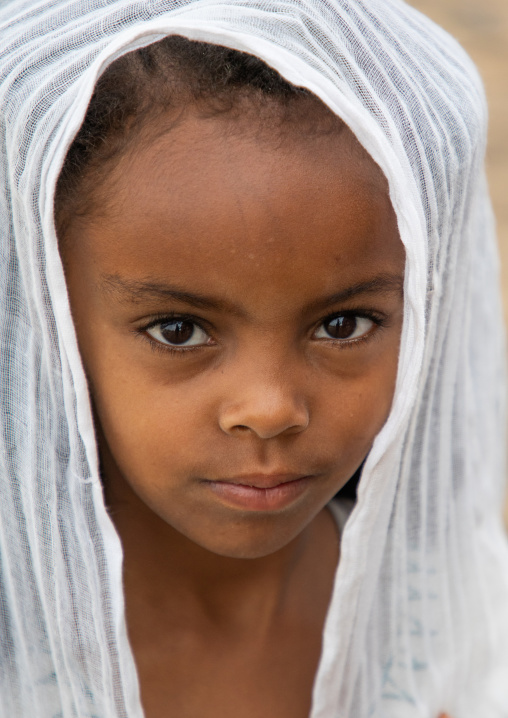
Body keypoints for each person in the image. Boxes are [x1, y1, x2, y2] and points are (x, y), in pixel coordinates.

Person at [1, 1, 508, 717]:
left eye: (344, 323)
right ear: (46, 317)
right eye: (178, 331)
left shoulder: (456, 638)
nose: (269, 408)